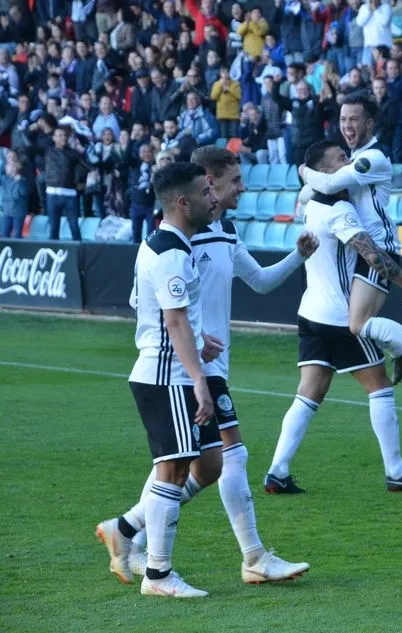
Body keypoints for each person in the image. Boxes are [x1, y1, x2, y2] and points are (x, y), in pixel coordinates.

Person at [119, 147, 314, 585]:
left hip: (204, 360)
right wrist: (194, 358)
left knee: (203, 465)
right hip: (187, 368)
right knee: (219, 458)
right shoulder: (175, 242)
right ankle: (247, 558)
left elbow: (260, 282)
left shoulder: (219, 233)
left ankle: (128, 528)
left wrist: (299, 255)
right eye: (230, 183)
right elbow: (154, 307)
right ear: (205, 185)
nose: (239, 189)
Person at [289, 95, 402, 480]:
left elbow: (324, 182)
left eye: (355, 119)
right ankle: (400, 349)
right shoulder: (349, 157)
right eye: (343, 119)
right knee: (358, 325)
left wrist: (302, 170)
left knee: (358, 325)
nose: (347, 125)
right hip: (365, 253)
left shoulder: (373, 158)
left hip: (382, 250)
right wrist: (307, 185)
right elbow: (313, 193)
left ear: (371, 122)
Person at [265, 140, 402, 493]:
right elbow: (373, 255)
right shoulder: (339, 212)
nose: (348, 162)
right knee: (380, 389)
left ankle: (277, 472)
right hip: (338, 317)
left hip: (309, 312)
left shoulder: (311, 204)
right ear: (326, 172)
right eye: (340, 159)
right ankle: (396, 471)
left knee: (309, 393)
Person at [94, 161, 217, 599]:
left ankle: (125, 532)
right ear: (183, 202)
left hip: (163, 369)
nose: (214, 197)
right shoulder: (170, 251)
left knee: (184, 465)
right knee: (173, 468)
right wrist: (199, 377)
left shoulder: (156, 243)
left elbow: (140, 302)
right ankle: (159, 576)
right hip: (168, 374)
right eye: (206, 192)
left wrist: (193, 344)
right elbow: (174, 320)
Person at [43, 125, 90, 241]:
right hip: (52, 194)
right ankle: (53, 255)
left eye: (64, 135)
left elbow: (86, 166)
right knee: (54, 228)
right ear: (54, 138)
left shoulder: (73, 153)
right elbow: (29, 147)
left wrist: (80, 181)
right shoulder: (48, 151)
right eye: (59, 135)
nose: (62, 138)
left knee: (74, 227)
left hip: (70, 194)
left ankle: (79, 255)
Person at [129, 143, 157, 243]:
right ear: (139, 153)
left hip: (151, 206)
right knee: (136, 233)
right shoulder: (135, 165)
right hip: (136, 204)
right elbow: (127, 156)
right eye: (143, 152)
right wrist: (132, 140)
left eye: (149, 151)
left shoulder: (156, 165)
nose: (146, 154)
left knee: (151, 234)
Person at [0, 155, 28, 239]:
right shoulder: (4, 179)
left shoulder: (22, 180)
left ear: (14, 168)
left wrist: (19, 182)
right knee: (4, 234)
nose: (6, 168)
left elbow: (23, 193)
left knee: (17, 235)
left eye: (9, 166)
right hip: (6, 211)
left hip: (18, 212)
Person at [211, 68, 242, 139]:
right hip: (222, 115)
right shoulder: (217, 84)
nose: (224, 74)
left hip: (234, 114)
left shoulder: (236, 83)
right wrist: (220, 85)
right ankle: (223, 150)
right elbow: (213, 97)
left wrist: (229, 88)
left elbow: (239, 96)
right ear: (220, 74)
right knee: (223, 136)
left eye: (226, 72)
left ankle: (235, 150)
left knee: (234, 135)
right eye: (222, 72)